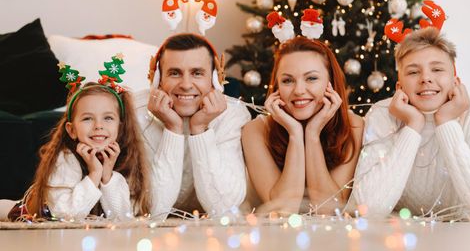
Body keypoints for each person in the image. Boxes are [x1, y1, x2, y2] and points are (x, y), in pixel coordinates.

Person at [348, 27, 470, 220]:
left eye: (437, 69)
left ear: (456, 82)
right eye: (413, 72)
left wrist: (446, 122)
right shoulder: (383, 114)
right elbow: (367, 209)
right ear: (400, 87)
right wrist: (413, 126)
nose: (426, 78)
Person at [242, 36, 363, 214]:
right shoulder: (255, 130)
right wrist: (295, 134)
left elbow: (328, 210)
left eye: (311, 78)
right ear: (276, 87)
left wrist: (312, 134)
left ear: (331, 84)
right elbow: (283, 210)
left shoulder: (353, 126)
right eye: (287, 81)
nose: (298, 90)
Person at [134, 33, 251, 218]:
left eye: (197, 73)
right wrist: (173, 129)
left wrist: (200, 130)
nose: (186, 85)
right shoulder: (135, 112)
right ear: (158, 79)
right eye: (174, 73)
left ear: (214, 80)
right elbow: (152, 210)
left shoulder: (233, 114)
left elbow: (224, 208)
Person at [2, 79, 150, 221]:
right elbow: (65, 215)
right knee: (8, 209)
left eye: (108, 118)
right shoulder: (66, 158)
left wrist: (107, 175)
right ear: (72, 130)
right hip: (35, 212)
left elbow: (123, 218)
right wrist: (95, 173)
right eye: (87, 119)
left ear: (120, 127)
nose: (99, 125)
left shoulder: (124, 157)